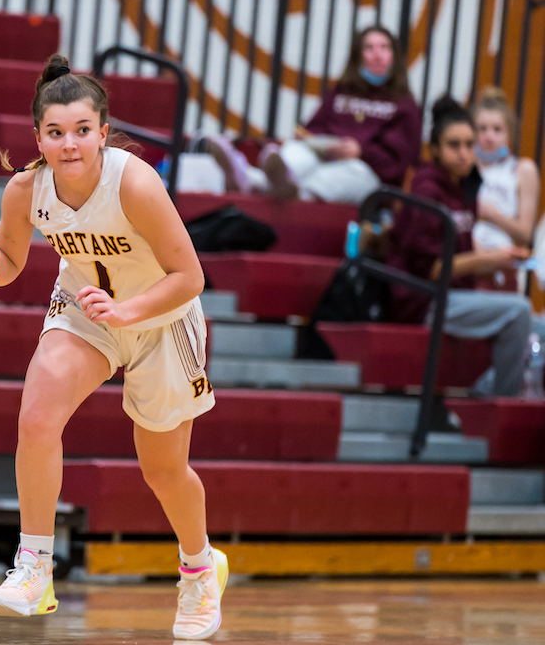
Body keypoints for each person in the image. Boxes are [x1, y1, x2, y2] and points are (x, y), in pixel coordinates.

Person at [0, 55, 227, 641]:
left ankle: (199, 567)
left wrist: (128, 311)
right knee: (37, 418)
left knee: (162, 470)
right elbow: (10, 263)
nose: (70, 144)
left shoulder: (134, 181)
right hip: (86, 310)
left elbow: (189, 276)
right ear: (38, 135)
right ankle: (35, 567)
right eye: (56, 132)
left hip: (163, 316)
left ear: (104, 130)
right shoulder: (26, 189)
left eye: (83, 131)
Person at [386, 96, 545, 397]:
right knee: (518, 312)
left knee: (537, 327)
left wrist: (501, 259)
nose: (464, 153)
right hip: (423, 299)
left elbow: (462, 258)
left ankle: (486, 394)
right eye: (453, 145)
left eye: (469, 145)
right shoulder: (426, 191)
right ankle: (501, 402)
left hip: (454, 292)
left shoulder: (463, 187)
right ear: (434, 150)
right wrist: (490, 257)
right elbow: (433, 270)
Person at [199, 25, 421, 203]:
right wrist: (310, 139)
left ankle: (260, 182)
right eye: (369, 47)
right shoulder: (340, 92)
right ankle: (250, 177)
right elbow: (315, 127)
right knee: (297, 152)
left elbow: (398, 163)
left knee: (346, 174)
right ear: (357, 55)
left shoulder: (405, 106)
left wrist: (360, 152)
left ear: (395, 55)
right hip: (323, 154)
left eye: (384, 47)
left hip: (365, 170)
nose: (377, 54)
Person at [470, 87, 541, 291]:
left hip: (503, 263)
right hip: (468, 258)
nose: (489, 136)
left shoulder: (522, 169)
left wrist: (489, 214)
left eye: (497, 129)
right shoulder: (465, 168)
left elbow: (526, 235)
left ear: (510, 133)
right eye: (482, 129)